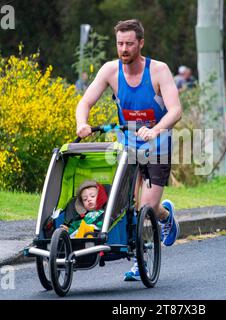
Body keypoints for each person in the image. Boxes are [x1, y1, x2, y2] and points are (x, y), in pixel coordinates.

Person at [75, 19, 182, 280]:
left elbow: (176, 110)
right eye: (119, 44)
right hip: (128, 147)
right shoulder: (110, 71)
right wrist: (82, 123)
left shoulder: (159, 71)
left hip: (157, 146)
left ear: (141, 44)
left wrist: (156, 129)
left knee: (148, 206)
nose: (123, 49)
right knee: (128, 207)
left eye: (129, 44)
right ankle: (138, 258)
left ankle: (165, 217)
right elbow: (85, 101)